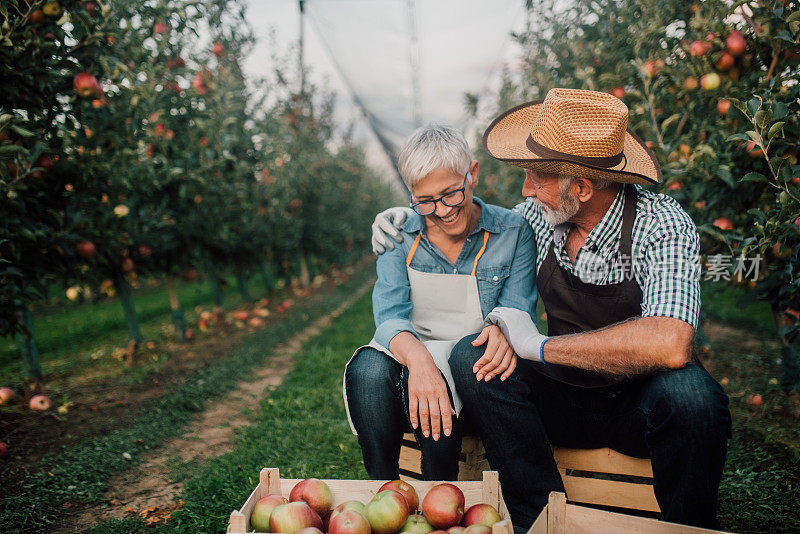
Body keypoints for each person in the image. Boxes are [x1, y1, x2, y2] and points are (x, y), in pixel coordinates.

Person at [370, 89, 731, 530]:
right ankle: (538, 518)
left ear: (580, 187)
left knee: (693, 396)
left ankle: (685, 526)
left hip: (641, 403)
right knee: (473, 358)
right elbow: (485, 221)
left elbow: (672, 342)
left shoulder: (662, 224)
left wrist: (538, 346)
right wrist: (410, 217)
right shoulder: (541, 215)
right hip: (562, 400)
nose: (526, 190)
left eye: (536, 178)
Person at [344, 124, 537, 481]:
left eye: (451, 193)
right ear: (411, 194)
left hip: (475, 370)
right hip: (413, 358)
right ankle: (384, 490)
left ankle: (440, 489)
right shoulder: (399, 235)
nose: (443, 210)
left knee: (458, 369)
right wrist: (420, 362)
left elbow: (516, 309)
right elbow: (389, 317)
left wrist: (502, 331)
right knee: (367, 370)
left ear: (473, 175)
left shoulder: (513, 233)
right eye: (425, 200)